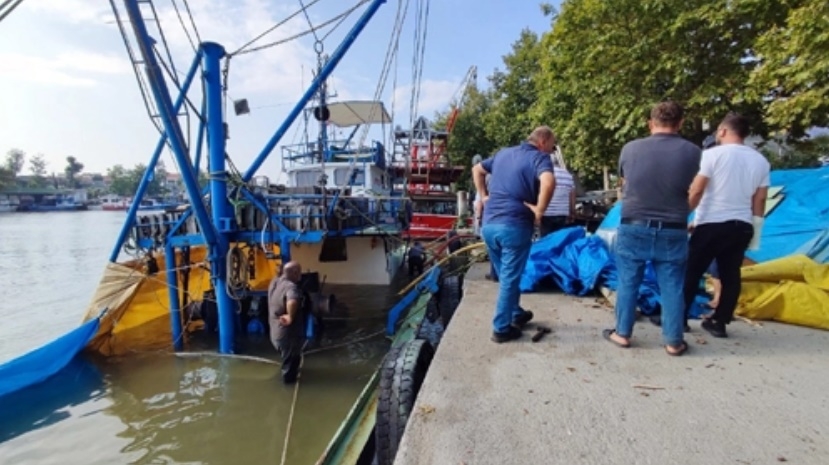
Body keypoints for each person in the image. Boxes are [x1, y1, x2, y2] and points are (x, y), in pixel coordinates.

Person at [603, 101, 700, 356]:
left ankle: (622, 334)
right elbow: (695, 187)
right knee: (672, 286)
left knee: (628, 282)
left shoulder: (630, 149)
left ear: (650, 123)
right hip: (673, 228)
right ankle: (673, 341)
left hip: (634, 224)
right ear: (679, 124)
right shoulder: (693, 152)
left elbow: (626, 183)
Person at [685, 113, 770, 338]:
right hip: (741, 225)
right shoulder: (761, 161)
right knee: (731, 274)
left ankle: (679, 318)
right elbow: (760, 199)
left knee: (691, 271)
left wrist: (686, 215)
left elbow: (697, 190)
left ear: (722, 131)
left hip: (711, 224)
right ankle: (720, 322)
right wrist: (756, 230)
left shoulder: (712, 155)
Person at [473, 126, 556, 343]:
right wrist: (539, 210)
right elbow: (548, 182)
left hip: (489, 226)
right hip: (515, 225)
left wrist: (483, 196)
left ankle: (516, 312)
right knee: (510, 278)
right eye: (551, 146)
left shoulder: (503, 154)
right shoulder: (540, 158)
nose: (552, 151)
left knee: (506, 274)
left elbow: (477, 169)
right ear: (543, 141)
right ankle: (501, 329)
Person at [268, 261, 306, 384]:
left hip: (275, 333)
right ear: (295, 273)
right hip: (286, 335)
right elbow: (292, 301)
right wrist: (290, 316)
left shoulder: (275, 282)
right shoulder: (291, 286)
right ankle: (288, 389)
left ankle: (292, 375)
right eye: (299, 272)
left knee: (290, 359)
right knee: (289, 366)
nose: (300, 275)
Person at [539, 159, 575, 237]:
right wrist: (572, 211)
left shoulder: (544, 175)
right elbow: (572, 195)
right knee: (559, 238)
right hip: (562, 212)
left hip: (546, 213)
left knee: (546, 240)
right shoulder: (567, 175)